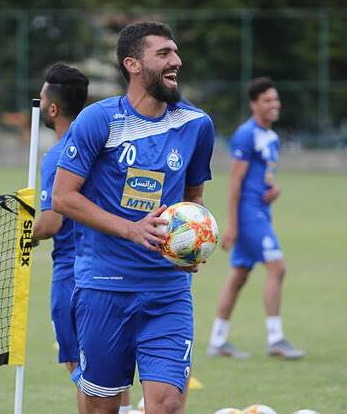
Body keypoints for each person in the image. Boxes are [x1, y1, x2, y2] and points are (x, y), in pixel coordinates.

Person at [52, 21, 215, 414]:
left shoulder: (196, 125)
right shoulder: (98, 120)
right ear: (133, 64)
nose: (176, 60)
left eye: (175, 52)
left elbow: (193, 200)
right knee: (101, 407)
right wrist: (131, 229)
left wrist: (192, 243)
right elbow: (62, 199)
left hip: (167, 292)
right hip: (103, 288)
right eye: (163, 54)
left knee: (167, 404)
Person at [32, 63, 132, 414]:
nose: (40, 104)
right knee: (114, 377)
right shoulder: (107, 147)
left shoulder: (60, 155)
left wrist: (22, 233)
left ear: (53, 108)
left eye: (42, 98)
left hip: (73, 276)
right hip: (112, 270)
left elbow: (50, 223)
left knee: (86, 377)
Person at [207, 77, 305, 360]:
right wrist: (233, 225)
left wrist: (272, 190)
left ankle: (218, 340)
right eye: (267, 100)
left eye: (275, 100)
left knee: (239, 274)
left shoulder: (272, 137)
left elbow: (260, 176)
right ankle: (275, 339)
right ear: (254, 104)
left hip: (261, 211)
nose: (274, 105)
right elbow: (235, 182)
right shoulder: (246, 134)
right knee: (278, 267)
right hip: (248, 215)